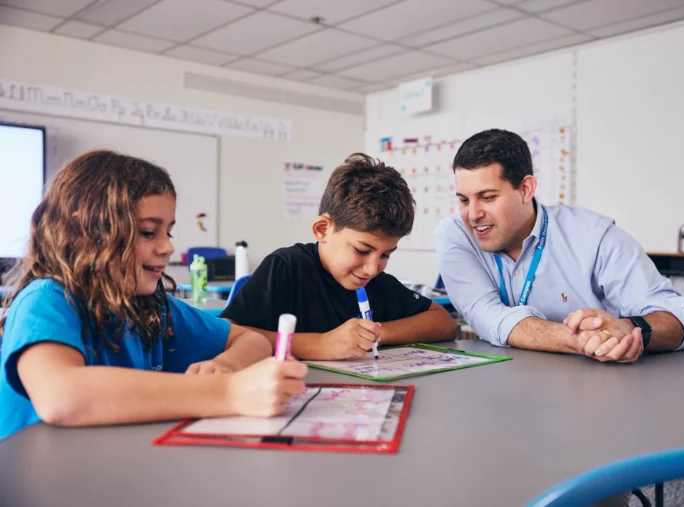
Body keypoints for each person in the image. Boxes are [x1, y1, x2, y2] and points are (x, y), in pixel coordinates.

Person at [0, 150, 306, 441]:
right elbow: (61, 396)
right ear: (87, 231)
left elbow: (252, 341)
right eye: (148, 232)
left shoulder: (153, 308)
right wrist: (228, 391)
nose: (168, 247)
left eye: (168, 232)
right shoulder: (45, 301)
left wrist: (225, 367)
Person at [436, 129, 684, 362]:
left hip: (597, 393)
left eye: (488, 197)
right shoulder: (456, 235)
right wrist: (581, 340)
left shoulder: (593, 236)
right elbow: (485, 314)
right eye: (464, 200)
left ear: (526, 189)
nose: (473, 214)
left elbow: (679, 318)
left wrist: (627, 330)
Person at [222, 153, 458, 360]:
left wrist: (376, 333)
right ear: (323, 229)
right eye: (362, 250)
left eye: (386, 254)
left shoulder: (377, 284)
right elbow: (226, 333)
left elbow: (444, 323)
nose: (372, 268)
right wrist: (318, 345)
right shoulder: (287, 267)